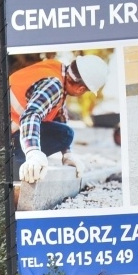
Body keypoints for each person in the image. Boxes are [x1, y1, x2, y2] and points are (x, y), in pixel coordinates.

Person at [9, 51, 110, 185]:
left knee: (64, 131)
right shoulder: (54, 85)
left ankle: (16, 164)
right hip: (4, 136)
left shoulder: (56, 70)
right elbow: (31, 115)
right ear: (80, 89)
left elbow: (60, 117)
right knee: (66, 134)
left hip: (4, 129)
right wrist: (33, 153)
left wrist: (67, 153)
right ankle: (13, 168)